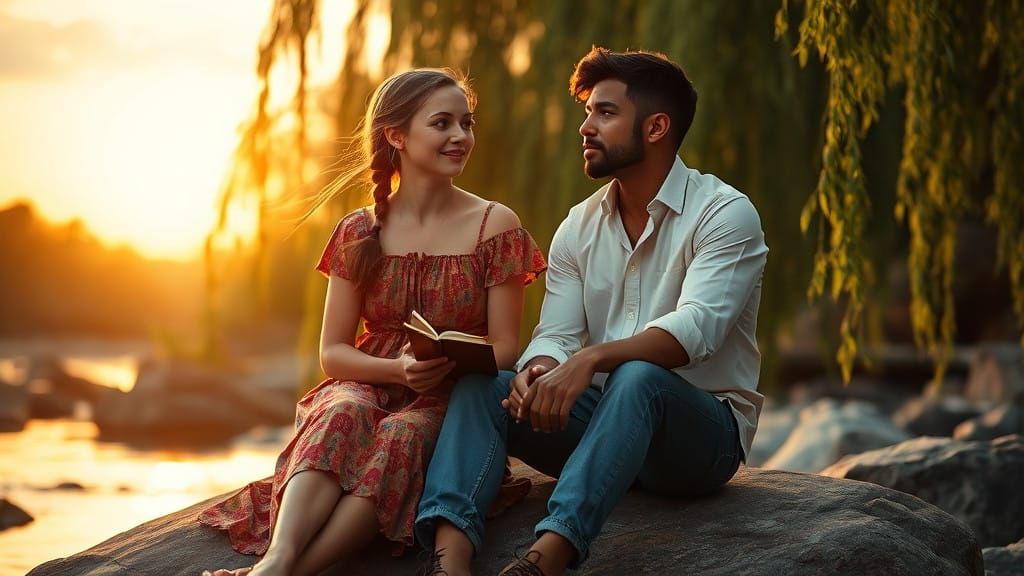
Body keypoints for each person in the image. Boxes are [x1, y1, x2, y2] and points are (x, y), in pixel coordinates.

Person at [414, 47, 769, 576]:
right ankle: (450, 560)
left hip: (698, 440)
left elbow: (697, 331)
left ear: (655, 127)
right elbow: (555, 333)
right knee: (485, 385)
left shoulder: (724, 213)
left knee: (638, 377)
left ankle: (545, 558)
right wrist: (539, 369)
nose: (585, 127)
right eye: (587, 112)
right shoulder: (578, 226)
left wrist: (591, 360)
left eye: (605, 113)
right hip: (602, 424)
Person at [198, 68, 546, 576]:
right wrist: (396, 372)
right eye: (442, 123)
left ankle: (287, 573)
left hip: (451, 392)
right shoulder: (360, 229)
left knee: (401, 436)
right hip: (370, 378)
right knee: (340, 410)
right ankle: (277, 559)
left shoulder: (496, 225)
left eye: (466, 123)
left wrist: (443, 363)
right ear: (396, 136)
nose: (460, 136)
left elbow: (506, 347)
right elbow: (332, 353)